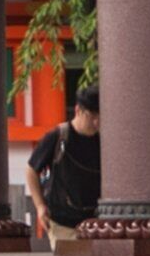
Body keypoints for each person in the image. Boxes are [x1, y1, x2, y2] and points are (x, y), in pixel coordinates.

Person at [26, 84, 103, 242]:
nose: (96, 122)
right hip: (62, 220)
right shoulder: (59, 136)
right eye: (92, 116)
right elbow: (31, 170)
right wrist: (40, 206)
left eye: (100, 116)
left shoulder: (102, 140)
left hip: (96, 222)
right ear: (78, 110)